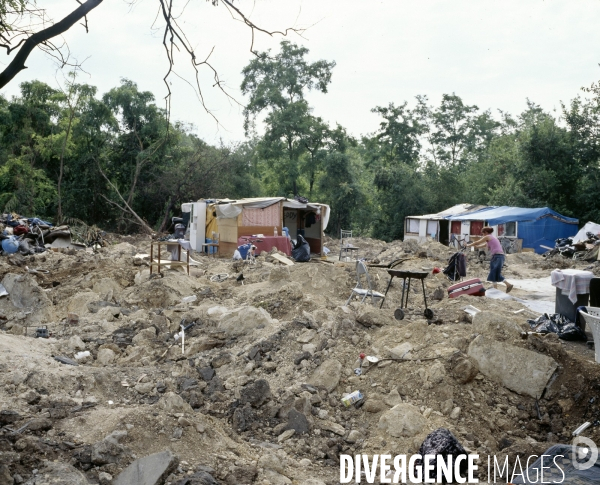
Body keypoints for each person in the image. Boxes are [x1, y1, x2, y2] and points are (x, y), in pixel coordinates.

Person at [467, 227, 513, 293]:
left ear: (485, 232)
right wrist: (476, 246)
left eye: (483, 233)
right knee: (494, 272)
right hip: (499, 256)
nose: (482, 235)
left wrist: (468, 245)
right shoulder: (492, 238)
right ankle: (497, 288)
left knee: (494, 272)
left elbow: (477, 242)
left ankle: (506, 285)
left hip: (497, 256)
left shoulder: (488, 236)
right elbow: (485, 245)